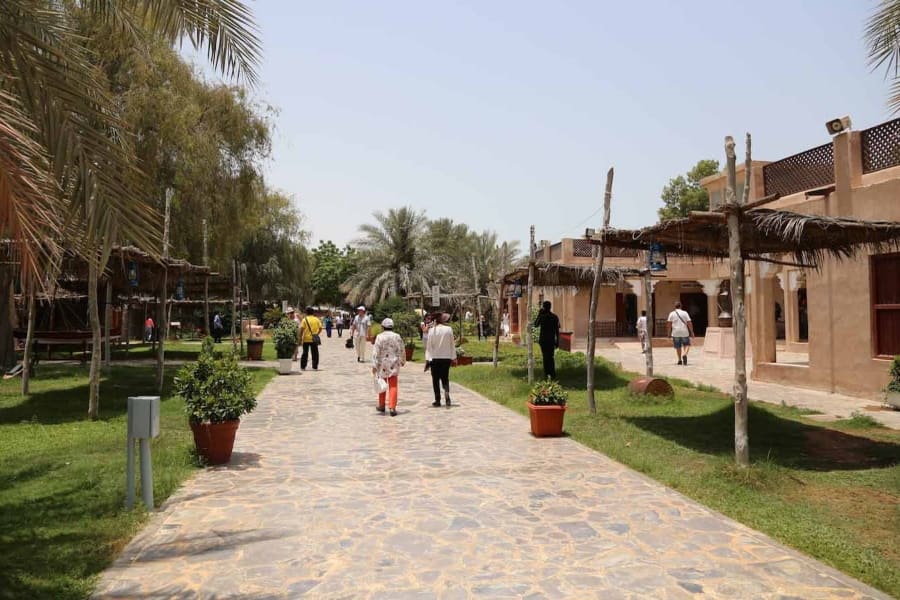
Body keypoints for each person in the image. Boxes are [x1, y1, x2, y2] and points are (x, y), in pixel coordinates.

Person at [372, 317, 405, 417]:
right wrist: (403, 360)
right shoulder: (397, 336)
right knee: (393, 385)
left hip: (382, 364)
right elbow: (402, 349)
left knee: (382, 384)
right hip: (394, 364)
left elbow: (375, 352)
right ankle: (392, 407)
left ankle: (382, 405)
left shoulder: (380, 337)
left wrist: (374, 365)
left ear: (383, 327)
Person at [425, 313, 456, 408]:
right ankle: (447, 394)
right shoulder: (449, 329)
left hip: (435, 358)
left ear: (434, 321)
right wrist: (454, 357)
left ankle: (437, 400)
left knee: (435, 380)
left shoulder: (431, 331)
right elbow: (452, 344)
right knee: (445, 378)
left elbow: (429, 346)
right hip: (446, 358)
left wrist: (427, 360)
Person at [533, 301, 560, 379]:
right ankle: (552, 374)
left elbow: (536, 324)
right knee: (551, 357)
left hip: (544, 340)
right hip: (551, 339)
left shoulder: (542, 317)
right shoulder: (554, 317)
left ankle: (547, 373)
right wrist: (557, 340)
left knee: (545, 357)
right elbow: (557, 330)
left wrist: (539, 314)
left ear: (544, 307)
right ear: (550, 307)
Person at [667, 301, 694, 365]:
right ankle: (684, 354)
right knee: (687, 344)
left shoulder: (671, 314)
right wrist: (692, 332)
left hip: (675, 332)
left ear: (675, 306)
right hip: (684, 331)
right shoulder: (685, 313)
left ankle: (679, 360)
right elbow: (689, 323)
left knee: (678, 346)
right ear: (681, 306)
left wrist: (669, 333)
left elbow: (669, 324)